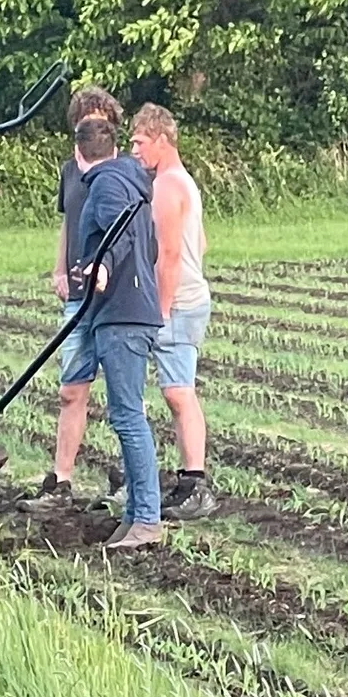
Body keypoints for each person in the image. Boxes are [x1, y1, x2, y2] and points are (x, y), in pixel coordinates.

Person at [110, 101, 218, 519]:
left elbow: (168, 255)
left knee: (177, 392)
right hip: (187, 298)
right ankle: (154, 478)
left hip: (178, 303)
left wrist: (159, 310)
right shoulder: (182, 182)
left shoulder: (168, 187)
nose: (134, 150)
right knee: (172, 392)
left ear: (160, 139)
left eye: (138, 142)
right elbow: (202, 244)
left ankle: (194, 485)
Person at [21, 86, 123, 513]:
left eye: (100, 119)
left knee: (123, 394)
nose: (93, 126)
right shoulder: (70, 172)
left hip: (116, 298)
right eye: (86, 120)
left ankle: (128, 478)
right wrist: (60, 269)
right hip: (78, 297)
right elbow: (69, 222)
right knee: (70, 390)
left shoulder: (129, 173)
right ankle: (61, 481)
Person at [70, 117, 166, 549]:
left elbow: (120, 234)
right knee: (125, 415)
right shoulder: (131, 183)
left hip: (122, 315)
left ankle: (147, 518)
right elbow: (149, 245)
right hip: (131, 309)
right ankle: (132, 517)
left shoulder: (107, 185)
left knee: (128, 417)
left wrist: (103, 266)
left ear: (78, 154)